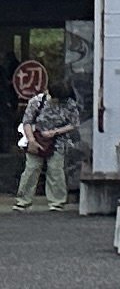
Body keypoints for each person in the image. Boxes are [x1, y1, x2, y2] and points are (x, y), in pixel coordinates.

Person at [14, 61, 82, 208]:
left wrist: (55, 132)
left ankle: (57, 201)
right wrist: (31, 140)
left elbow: (74, 123)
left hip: (58, 141)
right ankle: (23, 201)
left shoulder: (69, 103)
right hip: (36, 137)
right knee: (31, 169)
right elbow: (27, 121)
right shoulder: (37, 102)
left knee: (55, 170)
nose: (59, 101)